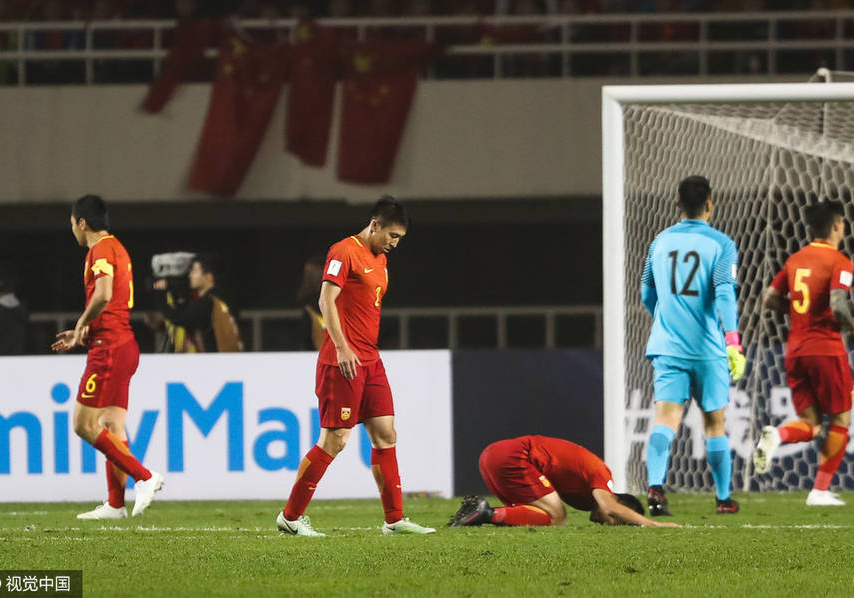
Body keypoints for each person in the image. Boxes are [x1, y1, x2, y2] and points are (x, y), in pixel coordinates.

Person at [276, 196, 435, 537]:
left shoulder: (380, 261)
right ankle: (290, 517)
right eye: (392, 235)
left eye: (399, 239)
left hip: (370, 360)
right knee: (335, 440)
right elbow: (325, 300)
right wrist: (343, 347)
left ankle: (394, 520)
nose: (394, 243)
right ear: (374, 224)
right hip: (342, 360)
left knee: (385, 434)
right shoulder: (344, 251)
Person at [52, 194, 164, 520]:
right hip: (124, 343)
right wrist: (87, 328)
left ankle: (145, 477)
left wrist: (81, 324)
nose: (72, 229)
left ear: (82, 223)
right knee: (113, 425)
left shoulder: (99, 250)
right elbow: (110, 299)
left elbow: (102, 294)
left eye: (72, 223)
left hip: (109, 348)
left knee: (83, 425)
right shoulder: (117, 247)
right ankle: (116, 505)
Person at [640, 175, 745, 516]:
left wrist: (667, 317)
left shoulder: (659, 241)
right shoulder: (722, 244)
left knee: (665, 420)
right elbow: (725, 292)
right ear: (710, 204)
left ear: (678, 205)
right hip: (707, 348)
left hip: (667, 345)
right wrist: (733, 341)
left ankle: (656, 488)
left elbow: (646, 291)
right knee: (714, 422)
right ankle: (723, 498)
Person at [754, 200, 854, 506]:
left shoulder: (795, 259)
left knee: (811, 424)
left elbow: (769, 297)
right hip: (826, 349)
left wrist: (798, 314)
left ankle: (778, 435)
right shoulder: (839, 261)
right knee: (841, 417)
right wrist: (853, 326)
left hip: (795, 350)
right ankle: (820, 490)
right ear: (838, 225)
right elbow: (839, 303)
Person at [448, 435, 680, 528]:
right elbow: (610, 507)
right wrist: (655, 525)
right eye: (615, 522)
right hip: (514, 456)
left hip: (490, 455)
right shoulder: (603, 474)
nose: (607, 523)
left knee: (533, 513)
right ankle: (487, 514)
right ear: (621, 504)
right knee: (558, 516)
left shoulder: (585, 495)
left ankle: (478, 512)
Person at [152, 254, 243, 353]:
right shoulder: (222, 299)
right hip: (232, 359)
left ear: (208, 277)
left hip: (218, 362)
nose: (190, 275)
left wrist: (160, 296)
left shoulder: (208, 302)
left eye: (194, 271)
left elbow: (179, 318)